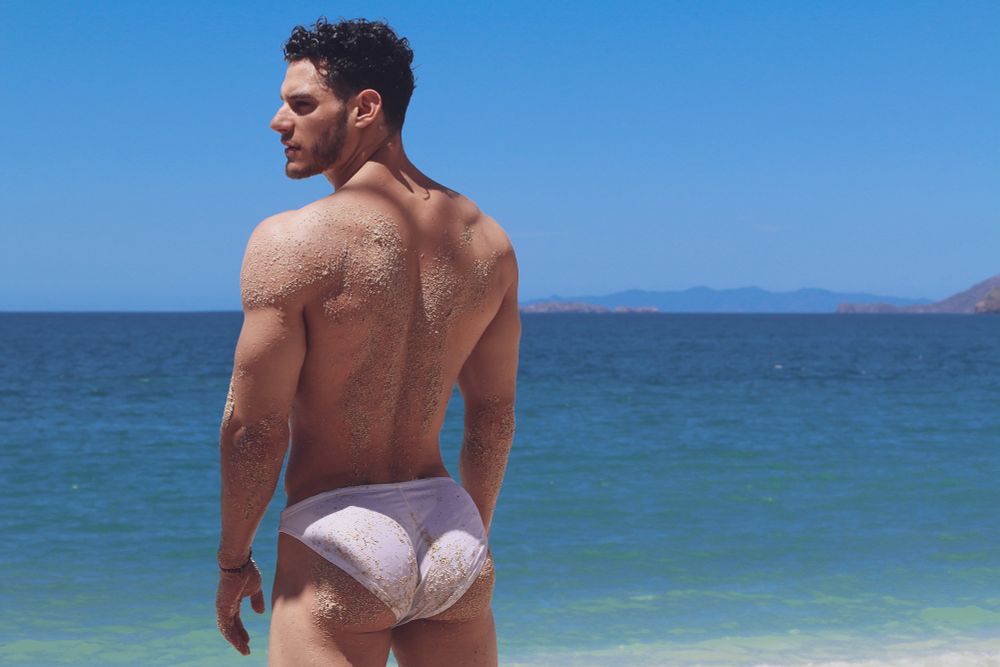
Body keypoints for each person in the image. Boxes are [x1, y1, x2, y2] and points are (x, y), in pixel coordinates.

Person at [213, 17, 520, 667]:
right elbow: (492, 419)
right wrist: (468, 535)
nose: (277, 121)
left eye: (300, 104)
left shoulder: (291, 242)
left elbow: (256, 430)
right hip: (452, 529)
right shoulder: (486, 242)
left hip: (337, 536)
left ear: (365, 108)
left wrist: (234, 558)